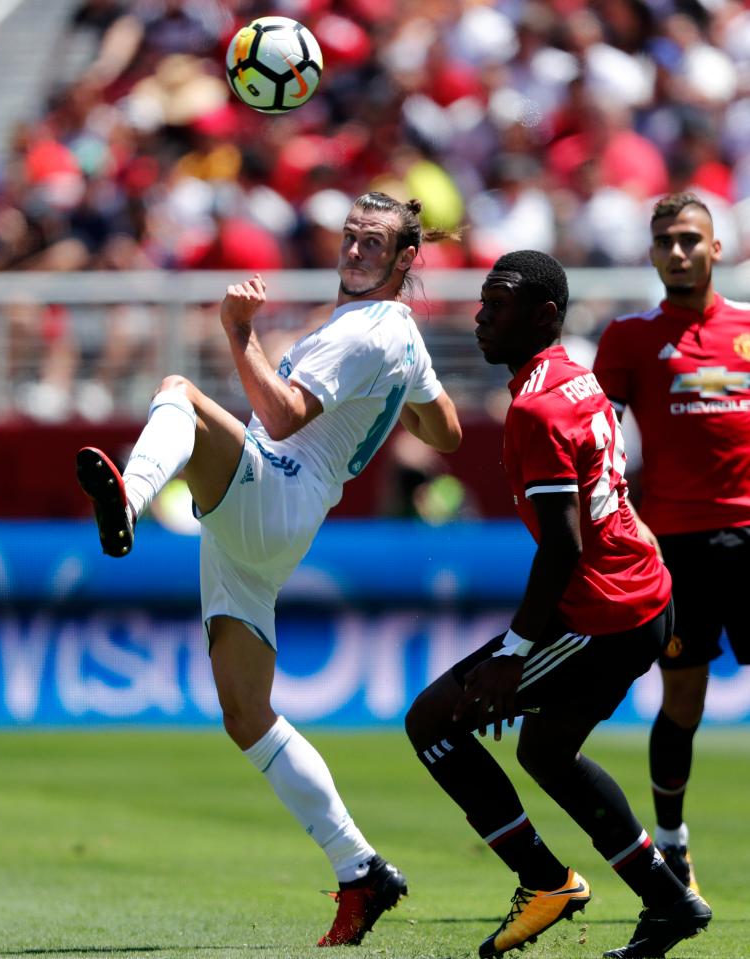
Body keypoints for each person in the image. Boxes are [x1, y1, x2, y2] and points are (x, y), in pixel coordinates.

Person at [75, 192, 462, 947]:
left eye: (373, 243)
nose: (353, 250)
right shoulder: (398, 334)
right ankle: (362, 869)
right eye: (350, 236)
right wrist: (394, 402)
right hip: (270, 523)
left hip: (275, 493)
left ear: (405, 260)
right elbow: (445, 429)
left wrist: (238, 331)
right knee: (247, 715)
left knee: (180, 394)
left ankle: (133, 496)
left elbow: (281, 417)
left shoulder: (364, 335)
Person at [405, 250, 712, 959]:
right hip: (640, 593)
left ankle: (546, 881)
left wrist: (514, 655)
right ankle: (669, 901)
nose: (481, 315)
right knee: (545, 748)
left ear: (544, 314)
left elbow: (564, 548)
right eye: (482, 300)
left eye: (499, 302)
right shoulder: (576, 380)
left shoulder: (538, 407)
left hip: (603, 612)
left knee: (434, 722)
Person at [593, 191, 750, 894]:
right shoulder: (628, 338)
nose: (678, 251)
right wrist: (621, 519)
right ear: (652, 253)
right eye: (666, 241)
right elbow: (593, 443)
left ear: (718, 248)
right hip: (677, 546)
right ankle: (674, 841)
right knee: (682, 698)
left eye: (691, 239)